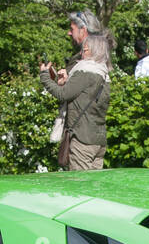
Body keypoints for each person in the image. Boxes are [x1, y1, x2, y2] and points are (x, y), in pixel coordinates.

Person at [40, 32, 109, 171]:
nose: (82, 52)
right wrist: (66, 82)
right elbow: (84, 98)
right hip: (98, 141)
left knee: (80, 187)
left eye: (85, 49)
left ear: (94, 51)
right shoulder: (103, 75)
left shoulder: (85, 72)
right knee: (95, 187)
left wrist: (45, 76)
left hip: (82, 140)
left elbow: (62, 94)